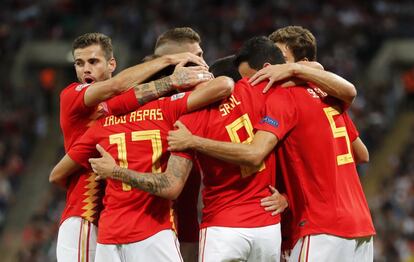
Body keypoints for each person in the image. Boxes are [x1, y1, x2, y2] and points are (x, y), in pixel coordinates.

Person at [167, 34, 376, 261]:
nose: (250, 85)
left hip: (321, 226)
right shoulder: (324, 92)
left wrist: (193, 140)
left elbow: (255, 153)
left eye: (252, 77)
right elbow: (361, 153)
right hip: (361, 224)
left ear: (271, 68)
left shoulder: (281, 98)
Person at [89, 36, 289, 262]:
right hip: (260, 227)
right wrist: (286, 196)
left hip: (207, 228)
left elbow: (171, 184)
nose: (202, 62)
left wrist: (115, 170)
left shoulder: (186, 121)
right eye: (197, 56)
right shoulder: (255, 95)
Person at [53, 32, 211, 262]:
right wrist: (169, 59)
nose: (85, 69)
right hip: (85, 215)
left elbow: (141, 93)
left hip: (112, 222)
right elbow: (57, 174)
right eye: (79, 63)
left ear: (112, 64)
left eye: (93, 62)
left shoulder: (117, 108)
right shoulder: (72, 96)